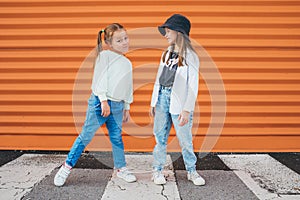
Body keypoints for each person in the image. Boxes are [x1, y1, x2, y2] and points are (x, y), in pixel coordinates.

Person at [54, 23, 136, 187]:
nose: (125, 42)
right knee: (86, 136)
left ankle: (121, 168)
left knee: (116, 138)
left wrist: (127, 106)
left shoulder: (127, 63)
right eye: (119, 41)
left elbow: (128, 86)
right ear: (109, 43)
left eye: (126, 38)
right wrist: (104, 100)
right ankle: (66, 167)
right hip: (100, 103)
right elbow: (99, 80)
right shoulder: (104, 57)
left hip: (118, 106)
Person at [150, 14, 205, 186]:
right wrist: (153, 102)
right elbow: (159, 78)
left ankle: (191, 171)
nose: (165, 35)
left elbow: (193, 85)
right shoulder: (166, 53)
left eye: (168, 31)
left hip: (179, 102)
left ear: (179, 32)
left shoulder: (191, 56)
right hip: (162, 99)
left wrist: (187, 109)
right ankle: (157, 171)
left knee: (185, 139)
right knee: (160, 137)